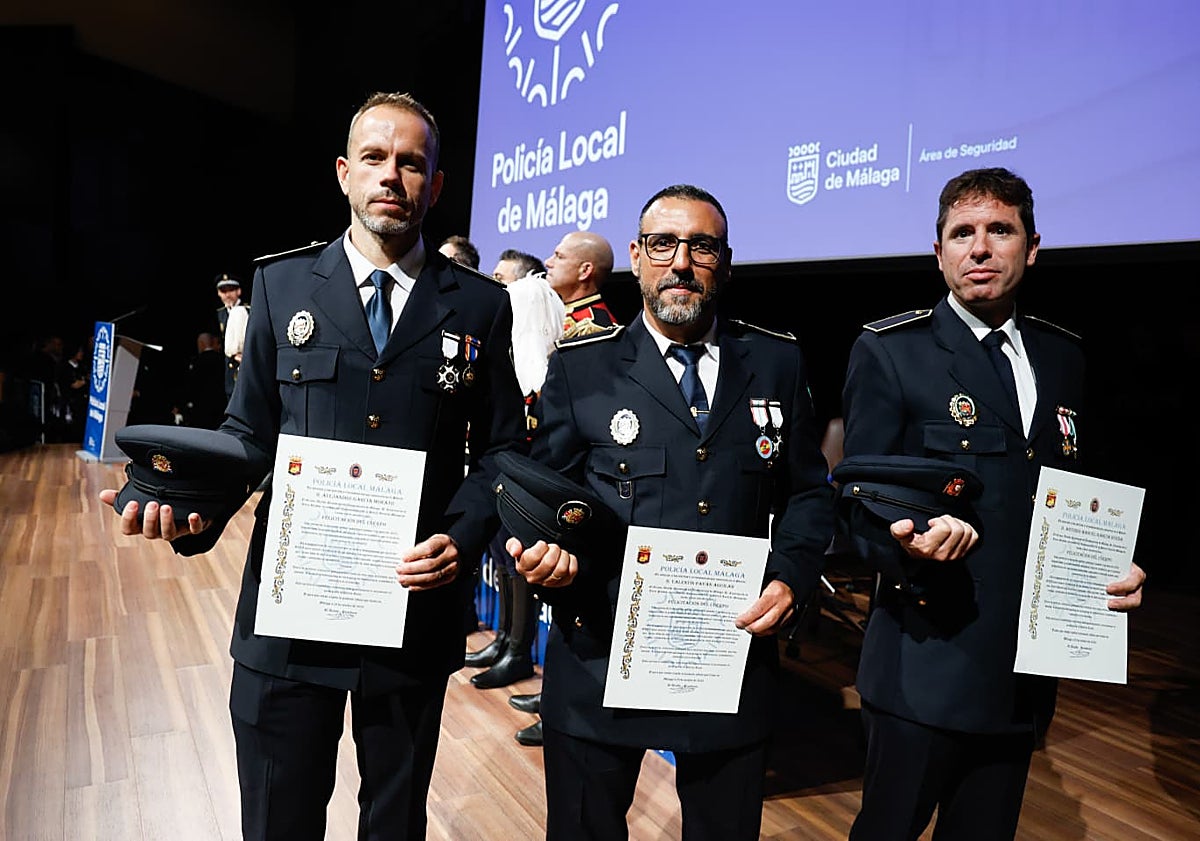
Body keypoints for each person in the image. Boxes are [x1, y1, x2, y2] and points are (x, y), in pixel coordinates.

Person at [99, 91, 528, 840]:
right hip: (288, 611)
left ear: (437, 182)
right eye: (374, 158)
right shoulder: (283, 285)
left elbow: (500, 450)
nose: (391, 175)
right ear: (343, 173)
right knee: (277, 819)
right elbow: (248, 428)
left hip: (411, 609)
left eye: (411, 162)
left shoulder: (481, 307)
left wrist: (461, 536)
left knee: (393, 823)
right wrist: (191, 509)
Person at [507, 184, 834, 840]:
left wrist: (794, 575)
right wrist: (546, 551)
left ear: (726, 262)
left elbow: (809, 493)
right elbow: (547, 496)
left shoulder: (775, 361)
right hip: (600, 656)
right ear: (636, 256)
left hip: (728, 661)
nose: (681, 261)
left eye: (702, 246)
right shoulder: (581, 367)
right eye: (663, 243)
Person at [839, 167, 1146, 841]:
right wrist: (907, 539)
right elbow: (858, 506)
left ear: (1031, 247)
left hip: (1023, 676)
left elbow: (1075, 494)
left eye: (999, 230)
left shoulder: (1065, 356)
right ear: (939, 250)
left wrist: (1119, 569)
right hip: (926, 665)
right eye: (962, 233)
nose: (980, 247)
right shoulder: (892, 351)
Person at [542, 231, 618, 339]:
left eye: (559, 257)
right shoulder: (555, 313)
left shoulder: (595, 329)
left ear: (585, 271)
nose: (547, 262)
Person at [215, 273, 249, 399]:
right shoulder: (219, 315)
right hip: (227, 369)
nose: (227, 295)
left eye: (231, 290)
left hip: (244, 365)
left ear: (238, 291)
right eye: (223, 291)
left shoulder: (249, 311)